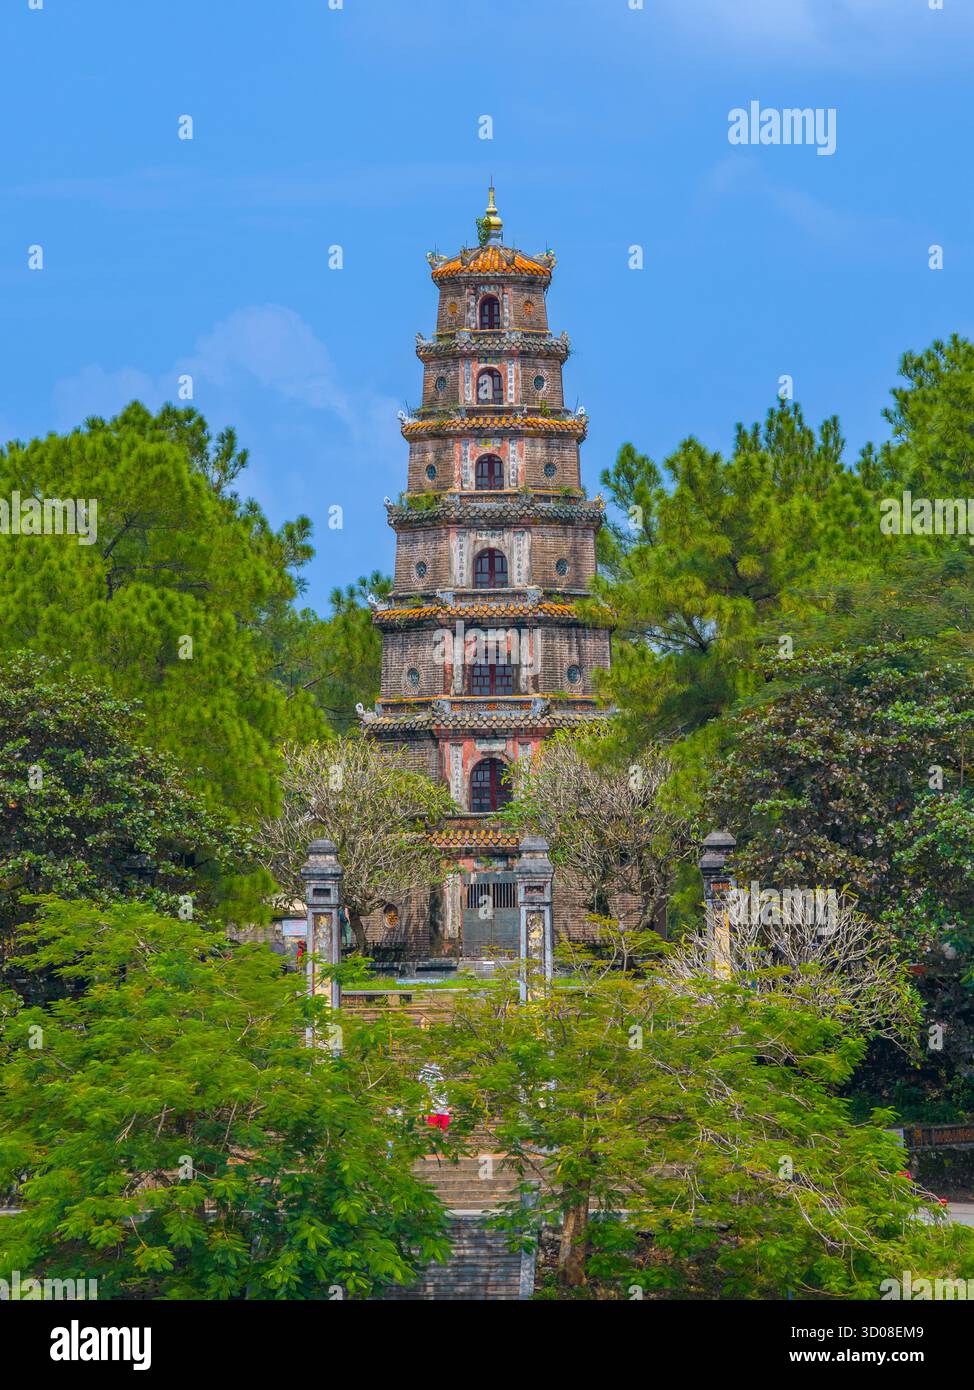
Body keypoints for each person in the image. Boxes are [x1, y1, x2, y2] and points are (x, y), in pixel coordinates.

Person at [418, 1062, 450, 1133]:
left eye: (441, 1080)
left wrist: (450, 1107)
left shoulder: (447, 1088)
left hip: (444, 1112)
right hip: (433, 1112)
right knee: (432, 1132)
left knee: (444, 1132)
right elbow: (425, 1099)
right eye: (438, 1080)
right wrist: (423, 1111)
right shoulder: (431, 1090)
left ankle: (443, 1143)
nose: (440, 1081)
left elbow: (451, 1099)